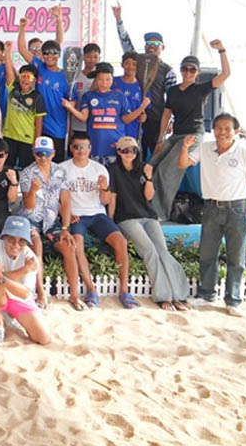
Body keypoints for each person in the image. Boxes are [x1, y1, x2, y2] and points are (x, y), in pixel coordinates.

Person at [104, 136, 190, 311]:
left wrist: (149, 178)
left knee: (163, 251)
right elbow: (112, 198)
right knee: (149, 251)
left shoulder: (144, 168)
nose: (129, 153)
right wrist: (110, 221)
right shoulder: (113, 170)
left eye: (133, 150)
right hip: (126, 218)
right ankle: (163, 296)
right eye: (125, 150)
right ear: (119, 152)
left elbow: (149, 196)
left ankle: (178, 295)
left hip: (149, 215)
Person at [180, 113, 246, 317]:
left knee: (236, 257)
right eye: (219, 128)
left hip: (237, 208)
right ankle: (206, 295)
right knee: (207, 253)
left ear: (236, 131)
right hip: (211, 207)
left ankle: (233, 300)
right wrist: (184, 147)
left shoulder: (245, 152)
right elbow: (183, 164)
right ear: (213, 130)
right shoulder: (205, 148)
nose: (222, 132)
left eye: (227, 128)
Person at [151, 43, 230, 219]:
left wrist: (221, 50)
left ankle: (159, 214)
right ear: (180, 70)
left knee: (166, 171)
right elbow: (166, 115)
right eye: (185, 69)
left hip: (193, 135)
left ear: (197, 72)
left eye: (192, 70)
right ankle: (147, 207)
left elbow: (225, 74)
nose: (188, 72)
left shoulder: (201, 89)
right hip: (175, 135)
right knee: (151, 166)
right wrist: (160, 139)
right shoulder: (173, 91)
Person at [58, 132, 136, 309]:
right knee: (77, 243)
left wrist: (104, 188)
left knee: (121, 242)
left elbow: (106, 201)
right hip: (77, 215)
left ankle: (124, 290)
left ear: (90, 148)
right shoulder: (62, 169)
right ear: (71, 149)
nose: (81, 151)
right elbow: (57, 199)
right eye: (77, 147)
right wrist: (66, 215)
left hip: (98, 214)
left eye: (85, 147)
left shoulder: (99, 169)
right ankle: (91, 289)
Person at [112, 3, 176, 156]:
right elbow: (125, 42)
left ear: (163, 47)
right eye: (148, 43)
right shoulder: (138, 62)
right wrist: (119, 19)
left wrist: (171, 120)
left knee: (155, 156)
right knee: (132, 154)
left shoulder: (168, 70)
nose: (151, 46)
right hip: (133, 117)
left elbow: (172, 98)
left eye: (156, 44)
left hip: (155, 118)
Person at [0, 216, 51, 346]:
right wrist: (24, 270)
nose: (16, 245)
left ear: (27, 242)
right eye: (11, 239)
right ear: (4, 237)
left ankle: (8, 314)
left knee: (43, 338)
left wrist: (2, 278)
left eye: (22, 241)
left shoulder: (31, 257)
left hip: (17, 294)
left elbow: (25, 293)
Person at [15, 137, 65, 308]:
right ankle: (41, 292)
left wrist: (66, 227)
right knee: (37, 247)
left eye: (47, 153)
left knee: (70, 247)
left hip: (51, 221)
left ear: (53, 154)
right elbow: (29, 206)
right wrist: (33, 191)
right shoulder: (27, 173)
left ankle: (75, 294)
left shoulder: (60, 171)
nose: (43, 157)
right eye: (39, 153)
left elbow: (65, 200)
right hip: (31, 219)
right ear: (33, 153)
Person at [62, 63, 146, 164]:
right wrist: (70, 108)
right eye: (100, 79)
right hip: (94, 148)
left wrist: (141, 108)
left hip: (115, 148)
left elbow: (126, 119)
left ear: (112, 79)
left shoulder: (120, 96)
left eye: (108, 79)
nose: (104, 83)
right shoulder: (88, 96)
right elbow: (83, 117)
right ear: (95, 80)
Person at [17, 9, 68, 159]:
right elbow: (22, 49)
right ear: (42, 55)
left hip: (58, 128)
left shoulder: (66, 76)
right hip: (38, 125)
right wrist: (22, 28)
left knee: (55, 164)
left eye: (53, 52)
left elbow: (58, 41)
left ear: (59, 54)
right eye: (46, 53)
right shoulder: (40, 67)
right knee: (37, 162)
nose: (50, 56)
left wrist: (59, 19)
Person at [1, 41, 45, 169]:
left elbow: (39, 122)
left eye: (29, 78)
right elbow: (9, 70)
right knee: (7, 168)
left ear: (34, 81)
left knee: (27, 170)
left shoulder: (37, 97)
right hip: (9, 137)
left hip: (27, 140)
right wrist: (7, 52)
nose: (25, 79)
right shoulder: (13, 89)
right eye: (23, 76)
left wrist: (36, 141)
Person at [67, 43, 101, 134]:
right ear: (83, 58)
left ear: (99, 58)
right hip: (77, 125)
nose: (92, 60)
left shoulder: (103, 79)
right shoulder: (75, 77)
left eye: (95, 57)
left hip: (96, 126)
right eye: (88, 56)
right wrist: (70, 127)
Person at [116, 52, 146, 141]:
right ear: (122, 64)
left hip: (133, 131)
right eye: (127, 63)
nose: (131, 67)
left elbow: (144, 111)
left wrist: (143, 115)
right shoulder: (113, 82)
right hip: (114, 129)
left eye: (134, 64)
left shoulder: (143, 86)